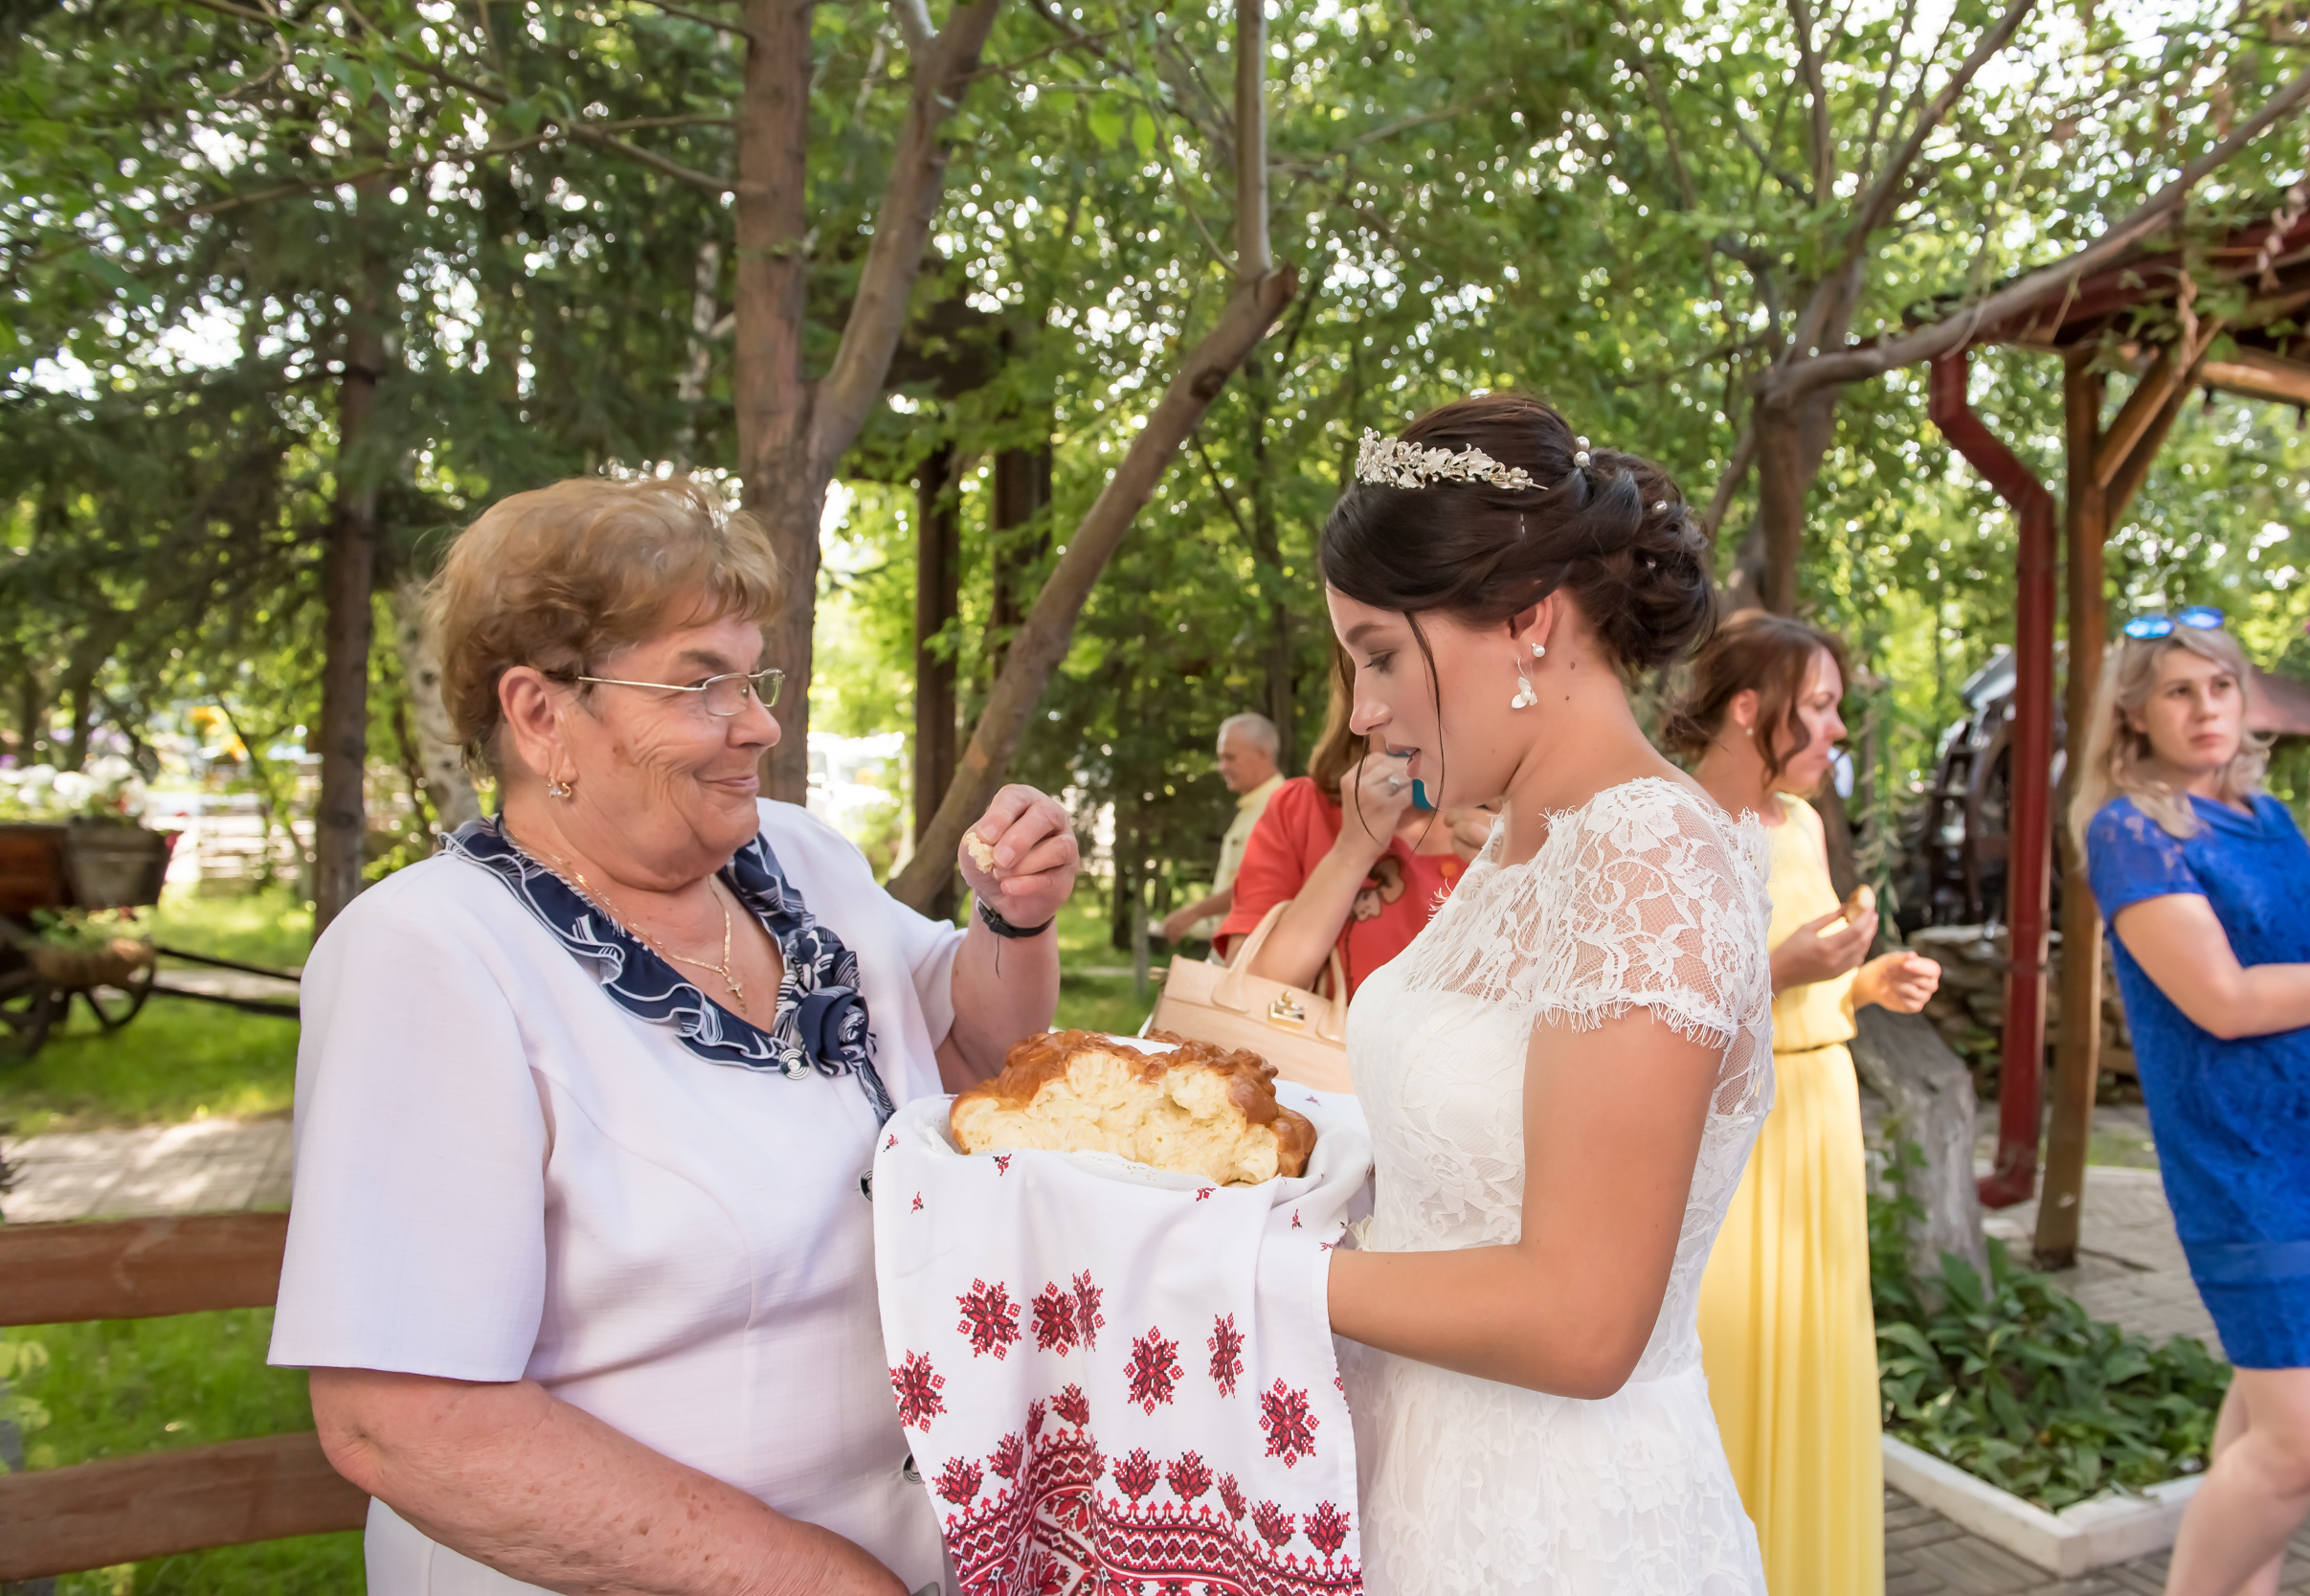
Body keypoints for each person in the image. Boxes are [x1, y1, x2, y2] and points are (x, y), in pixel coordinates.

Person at [270, 476, 1079, 1596]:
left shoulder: (800, 859)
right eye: (702, 683)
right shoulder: (431, 955)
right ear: (541, 713)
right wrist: (832, 1583)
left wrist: (1013, 915)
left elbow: (971, 1050)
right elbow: (403, 1421)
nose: (760, 722)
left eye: (753, 676)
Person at [1316, 393, 1772, 1593]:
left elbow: (1582, 1318)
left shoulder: (1649, 856)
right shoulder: (1527, 844)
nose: (1364, 712)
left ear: (1525, 620)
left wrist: (1230, 1271)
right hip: (1415, 1471)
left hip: (1555, 1524)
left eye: (1377, 654)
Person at [2072, 612, 2310, 1596]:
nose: (2205, 708)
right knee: (2304, 1446)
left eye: (2221, 686)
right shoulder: (2130, 829)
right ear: (2134, 713)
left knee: (2262, 1410)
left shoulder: (2271, 817)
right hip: (2250, 1161)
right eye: (2178, 690)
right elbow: (2224, 1000)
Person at [1671, 611, 1940, 1596]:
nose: (1835, 731)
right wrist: (1786, 963)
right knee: (1727, 1349)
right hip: (1730, 1130)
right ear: (1749, 707)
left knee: (1818, 1361)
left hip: (1820, 1115)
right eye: (1819, 708)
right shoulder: (1674, 822)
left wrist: (1870, 981)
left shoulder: (1803, 823)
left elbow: (1812, 990)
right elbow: (1661, 1010)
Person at [1216, 652, 1471, 992]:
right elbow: (1249, 988)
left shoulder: (1514, 827)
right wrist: (1352, 851)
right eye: (1385, 671)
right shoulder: (1301, 808)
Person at [1158, 712, 1286, 945]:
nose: (1221, 767)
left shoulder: (1282, 807)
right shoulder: (1251, 808)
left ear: (1261, 755)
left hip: (1258, 951)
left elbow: (1257, 885)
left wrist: (1195, 912)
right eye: (1220, 758)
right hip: (1238, 947)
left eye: (1230, 758)